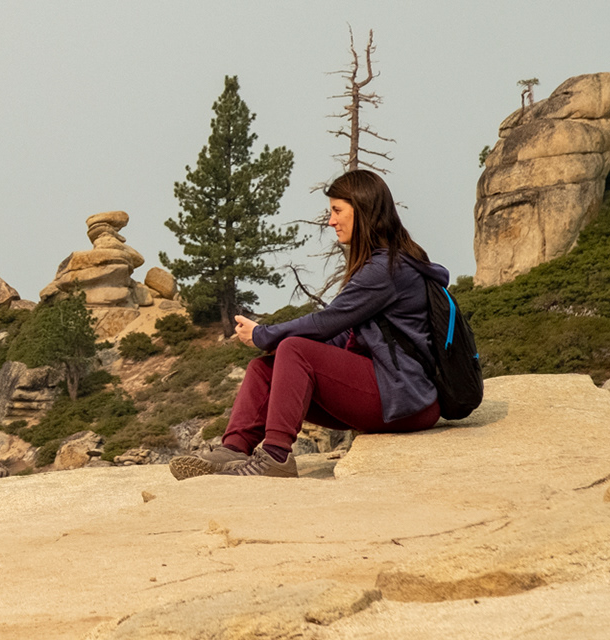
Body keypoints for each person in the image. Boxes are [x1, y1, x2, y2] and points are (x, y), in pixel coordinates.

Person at [170, 169, 445, 479]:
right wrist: (279, 353)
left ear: (364, 209)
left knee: (294, 350)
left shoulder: (387, 269)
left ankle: (275, 457)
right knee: (266, 369)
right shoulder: (381, 264)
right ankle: (233, 449)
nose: (331, 221)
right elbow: (343, 335)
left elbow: (326, 322)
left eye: (337, 210)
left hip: (406, 400)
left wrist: (263, 334)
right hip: (391, 394)